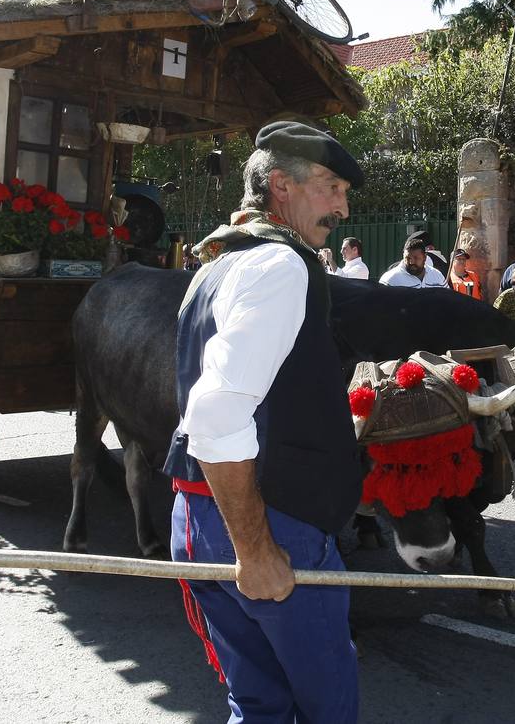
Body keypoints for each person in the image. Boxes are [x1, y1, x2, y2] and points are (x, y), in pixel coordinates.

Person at [163, 120, 364, 722]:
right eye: (330, 187)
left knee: (257, 705)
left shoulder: (214, 267)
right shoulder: (280, 267)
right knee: (324, 708)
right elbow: (218, 409)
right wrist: (256, 549)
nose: (342, 208)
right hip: (269, 523)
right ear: (281, 185)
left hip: (199, 516)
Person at [379, 238, 448, 288]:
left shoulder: (437, 276)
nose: (411, 262)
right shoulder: (390, 279)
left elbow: (447, 300)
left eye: (416, 258)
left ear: (425, 258)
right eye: (407, 258)